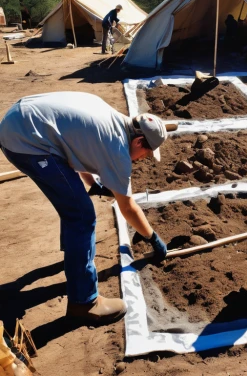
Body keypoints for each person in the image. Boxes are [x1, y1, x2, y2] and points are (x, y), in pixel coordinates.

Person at [0, 92, 176, 325]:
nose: (144, 158)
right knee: (82, 216)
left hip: (21, 119)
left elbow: (74, 149)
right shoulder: (118, 151)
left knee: (75, 205)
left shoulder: (112, 120)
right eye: (147, 153)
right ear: (138, 141)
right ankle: (84, 303)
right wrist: (153, 239)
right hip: (27, 141)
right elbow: (128, 208)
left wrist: (92, 184)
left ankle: (74, 258)